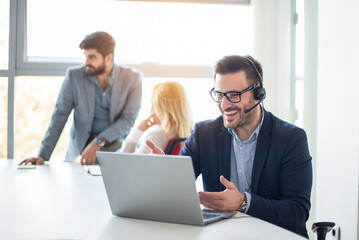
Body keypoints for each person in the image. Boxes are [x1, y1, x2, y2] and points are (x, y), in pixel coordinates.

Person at [146, 55, 312, 238]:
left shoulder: (291, 139)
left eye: (233, 95)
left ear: (258, 93)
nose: (224, 105)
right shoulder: (203, 134)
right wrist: (163, 173)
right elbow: (178, 191)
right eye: (219, 95)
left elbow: (297, 211)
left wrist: (243, 202)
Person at [19, 31, 142, 166]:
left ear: (108, 58)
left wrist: (98, 142)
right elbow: (59, 116)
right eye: (85, 56)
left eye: (92, 57)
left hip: (116, 147)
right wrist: (43, 155)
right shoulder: (74, 76)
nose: (86, 62)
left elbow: (128, 120)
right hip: (80, 151)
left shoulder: (133, 79)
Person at [121, 81, 193, 154]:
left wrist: (138, 131)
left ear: (161, 108)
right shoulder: (192, 133)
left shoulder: (157, 136)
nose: (151, 110)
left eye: (153, 105)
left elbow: (125, 161)